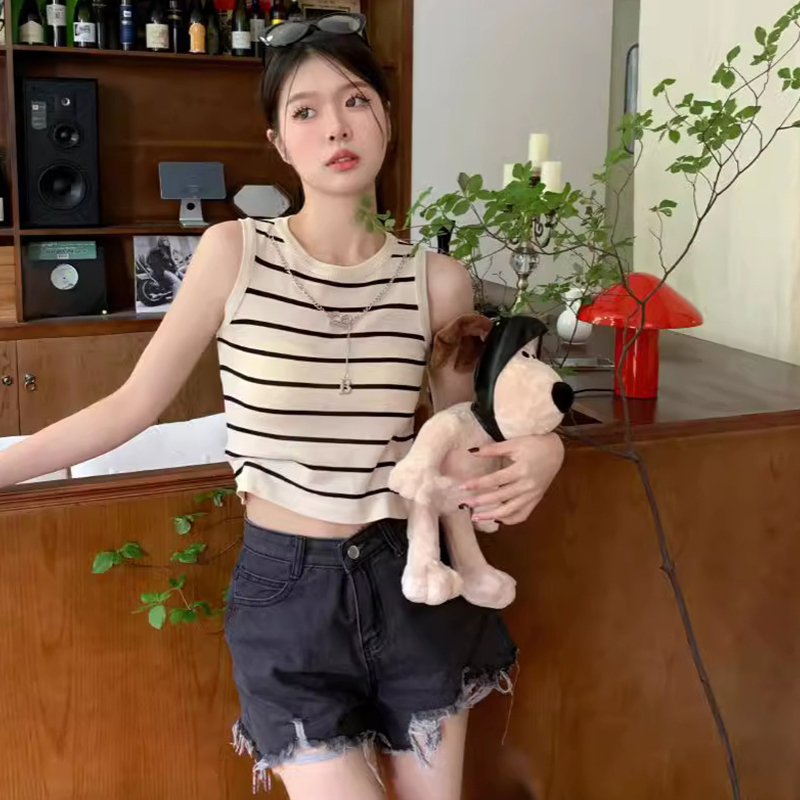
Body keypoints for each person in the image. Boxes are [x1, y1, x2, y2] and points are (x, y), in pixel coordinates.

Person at [0, 13, 565, 800]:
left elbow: (460, 437)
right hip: (286, 592)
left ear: (387, 117)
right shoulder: (233, 252)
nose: (336, 126)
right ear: (278, 140)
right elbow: (131, 405)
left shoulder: (438, 280)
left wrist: (544, 449)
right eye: (306, 110)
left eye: (356, 100)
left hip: (411, 578)